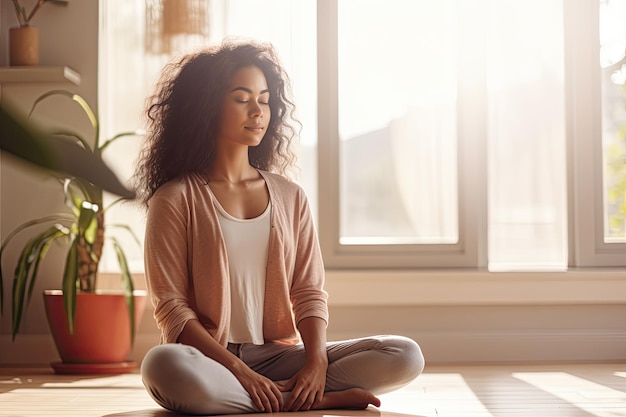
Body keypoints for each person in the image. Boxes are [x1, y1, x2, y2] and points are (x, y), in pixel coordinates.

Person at [134, 39, 425, 415]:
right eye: (242, 98)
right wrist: (239, 371)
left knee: (404, 354)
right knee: (163, 365)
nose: (258, 111)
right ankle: (305, 402)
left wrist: (315, 364)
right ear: (207, 106)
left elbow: (308, 292)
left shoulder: (290, 196)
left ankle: (279, 397)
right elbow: (172, 309)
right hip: (210, 360)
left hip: (279, 357)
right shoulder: (174, 199)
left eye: (265, 99)